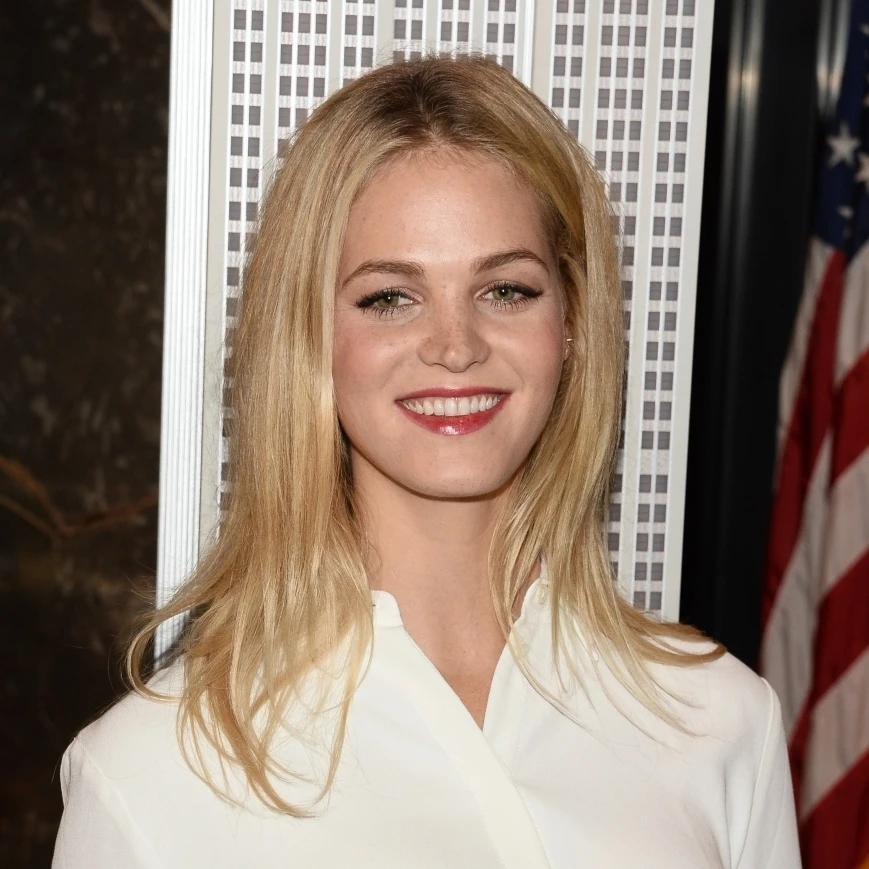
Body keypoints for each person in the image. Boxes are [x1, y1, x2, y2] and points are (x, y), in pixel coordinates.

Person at [52, 55, 800, 867]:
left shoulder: (718, 719)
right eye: (389, 297)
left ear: (573, 322)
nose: (455, 346)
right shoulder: (154, 770)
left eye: (505, 289)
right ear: (308, 338)